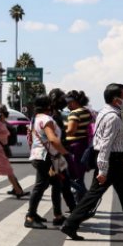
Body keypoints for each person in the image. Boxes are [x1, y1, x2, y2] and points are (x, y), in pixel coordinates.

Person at [61, 83, 123, 245]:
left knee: (97, 196)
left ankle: (71, 224)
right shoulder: (113, 117)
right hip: (111, 161)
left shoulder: (104, 112)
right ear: (116, 100)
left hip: (113, 160)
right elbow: (106, 144)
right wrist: (102, 170)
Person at [24, 96, 70, 228]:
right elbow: (53, 139)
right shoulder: (46, 120)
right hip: (46, 158)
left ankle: (58, 215)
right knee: (40, 186)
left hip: (41, 156)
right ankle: (30, 217)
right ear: (48, 106)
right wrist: (65, 153)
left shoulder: (35, 119)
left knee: (56, 184)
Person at [49, 88, 77, 213]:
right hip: (56, 154)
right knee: (56, 183)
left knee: (62, 182)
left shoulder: (56, 114)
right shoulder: (53, 116)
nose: (64, 101)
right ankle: (59, 214)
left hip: (58, 153)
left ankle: (72, 208)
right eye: (61, 98)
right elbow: (55, 137)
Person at [64, 90, 92, 202]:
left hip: (75, 147)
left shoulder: (75, 113)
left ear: (75, 102)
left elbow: (71, 130)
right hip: (84, 144)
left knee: (73, 177)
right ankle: (82, 201)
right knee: (79, 176)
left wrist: (58, 132)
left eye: (69, 103)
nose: (68, 105)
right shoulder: (86, 111)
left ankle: (85, 200)